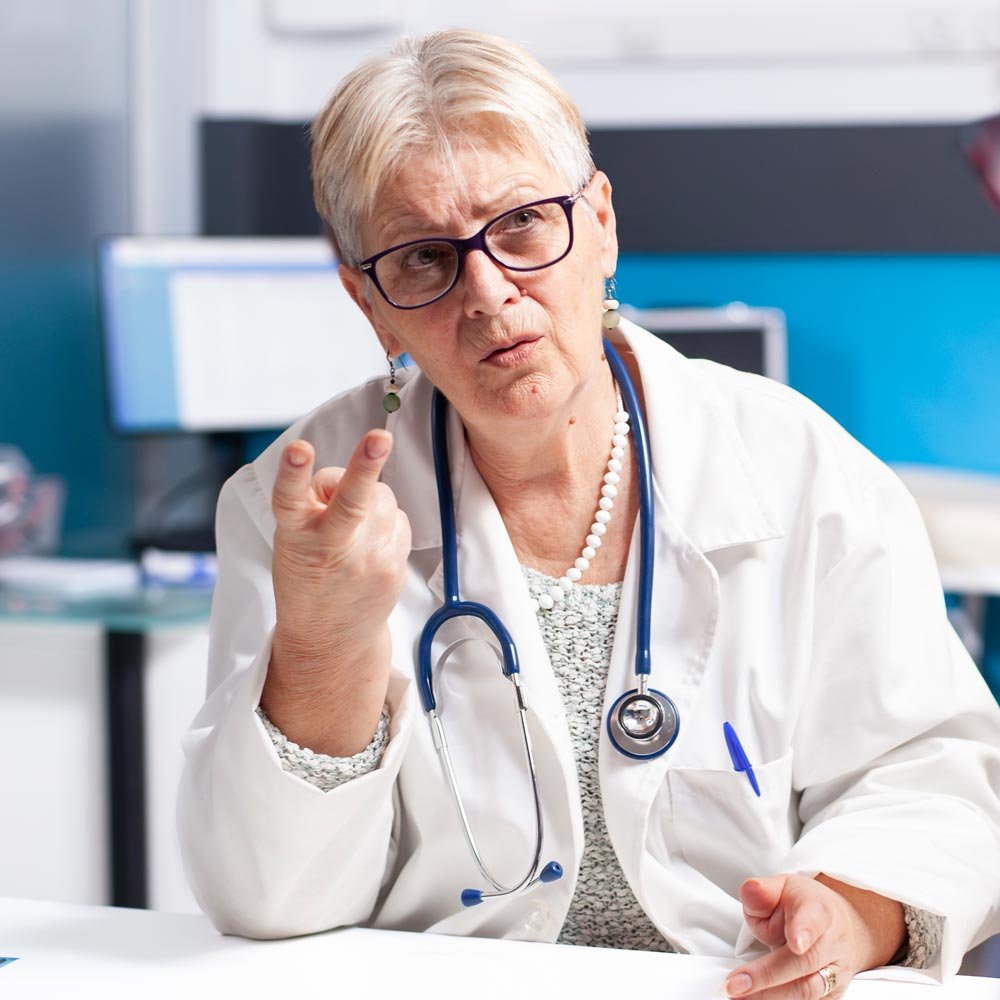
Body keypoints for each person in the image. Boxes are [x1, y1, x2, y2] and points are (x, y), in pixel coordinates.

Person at [178, 28, 1000, 995]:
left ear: (600, 223)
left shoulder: (801, 471)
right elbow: (269, 900)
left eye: (523, 224)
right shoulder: (300, 515)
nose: (488, 294)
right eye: (425, 258)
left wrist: (851, 912)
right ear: (369, 300)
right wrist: (322, 648)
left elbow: (936, 773)